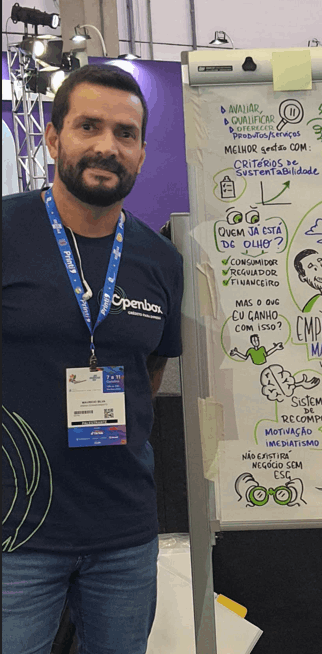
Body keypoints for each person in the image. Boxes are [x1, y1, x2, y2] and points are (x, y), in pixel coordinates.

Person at [2, 64, 184, 654]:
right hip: (16, 530)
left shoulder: (160, 260)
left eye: (125, 133)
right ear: (54, 138)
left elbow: (149, 372)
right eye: (89, 126)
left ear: (141, 153)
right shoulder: (6, 230)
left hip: (123, 533)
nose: (107, 146)